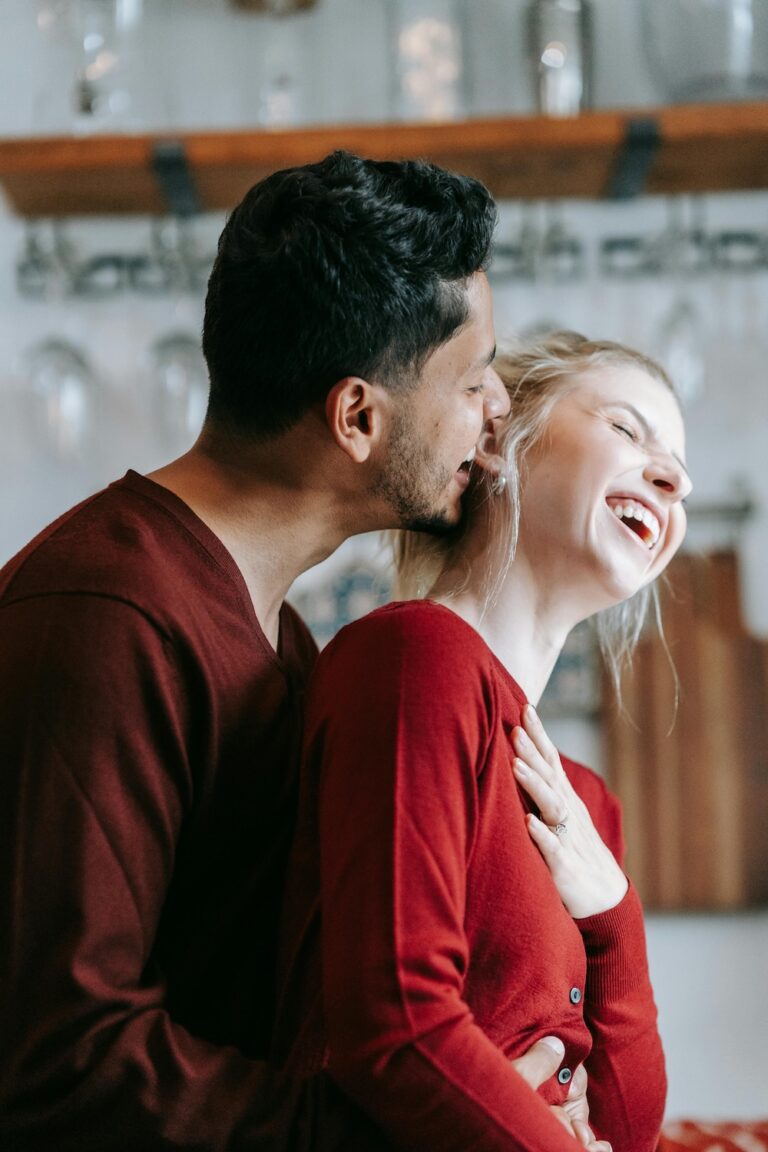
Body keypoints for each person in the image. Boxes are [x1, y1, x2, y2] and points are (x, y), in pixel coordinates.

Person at [0, 149, 520, 1151]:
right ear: (358, 416)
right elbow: (59, 1058)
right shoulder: (105, 621)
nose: (497, 410)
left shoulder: (279, 632)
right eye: (473, 376)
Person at [272, 330, 693, 1152]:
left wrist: (614, 916)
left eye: (679, 469)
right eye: (626, 429)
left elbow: (628, 1128)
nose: (675, 480)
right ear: (495, 437)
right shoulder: (413, 661)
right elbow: (399, 1032)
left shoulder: (586, 802)